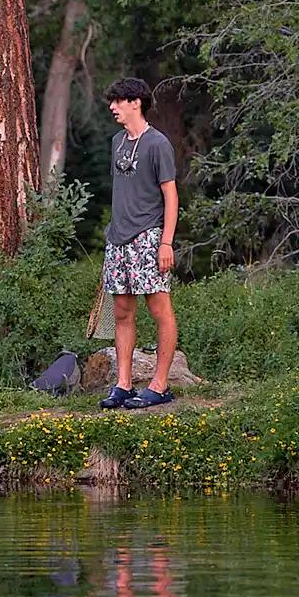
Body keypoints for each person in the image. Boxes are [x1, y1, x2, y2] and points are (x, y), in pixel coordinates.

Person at [96, 78, 181, 410]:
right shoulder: (117, 141)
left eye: (118, 101)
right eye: (112, 101)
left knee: (160, 309)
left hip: (149, 237)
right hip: (117, 239)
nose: (112, 107)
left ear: (136, 102)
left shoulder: (158, 143)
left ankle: (160, 385)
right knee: (121, 312)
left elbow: (171, 196)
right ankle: (123, 384)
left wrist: (166, 242)